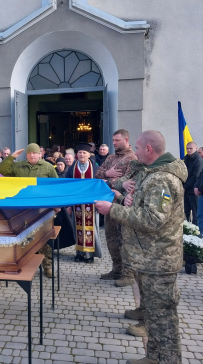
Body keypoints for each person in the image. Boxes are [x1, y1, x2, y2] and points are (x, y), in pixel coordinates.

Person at [95, 130, 187, 364]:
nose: (134, 152)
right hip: (149, 258)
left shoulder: (163, 179)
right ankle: (154, 357)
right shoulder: (152, 174)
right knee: (154, 318)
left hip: (159, 260)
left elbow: (152, 219)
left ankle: (166, 360)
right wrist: (124, 198)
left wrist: (112, 209)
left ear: (149, 149)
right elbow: (143, 206)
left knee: (163, 319)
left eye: (137, 147)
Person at [0, 143, 57, 277]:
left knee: (43, 237)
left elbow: (55, 186)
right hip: (22, 209)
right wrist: (11, 157)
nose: (32, 155)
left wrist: (56, 205)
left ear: (40, 154)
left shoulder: (47, 167)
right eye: (29, 153)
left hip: (41, 208)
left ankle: (47, 266)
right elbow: (1, 169)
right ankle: (22, 265)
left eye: (34, 153)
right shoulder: (18, 166)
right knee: (23, 237)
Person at [95, 129, 137, 286]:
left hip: (124, 204)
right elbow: (98, 175)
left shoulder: (132, 158)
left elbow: (128, 182)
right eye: (113, 140)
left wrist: (110, 181)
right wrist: (109, 172)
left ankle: (128, 274)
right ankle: (116, 269)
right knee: (111, 238)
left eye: (117, 140)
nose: (114, 143)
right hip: (109, 203)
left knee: (124, 239)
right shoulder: (111, 158)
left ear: (126, 140)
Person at [66, 142, 101, 263]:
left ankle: (90, 255)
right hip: (76, 205)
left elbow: (98, 185)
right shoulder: (72, 168)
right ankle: (79, 253)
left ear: (89, 154)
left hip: (91, 204)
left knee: (91, 229)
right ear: (76, 154)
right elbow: (68, 187)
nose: (81, 155)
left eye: (84, 153)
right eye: (80, 152)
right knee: (78, 229)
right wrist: (69, 205)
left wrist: (98, 203)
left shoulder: (95, 167)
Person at [183, 141, 203, 225]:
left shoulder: (198, 160)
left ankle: (196, 234)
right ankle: (187, 232)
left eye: (191, 148)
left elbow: (195, 176)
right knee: (186, 213)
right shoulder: (186, 158)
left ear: (196, 148)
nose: (188, 150)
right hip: (186, 190)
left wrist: (185, 187)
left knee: (196, 214)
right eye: (187, 148)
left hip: (193, 190)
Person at [194, 161, 203, 237]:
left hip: (201, 191)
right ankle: (201, 234)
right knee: (200, 215)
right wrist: (196, 186)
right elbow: (200, 176)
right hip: (201, 194)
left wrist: (199, 189)